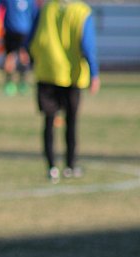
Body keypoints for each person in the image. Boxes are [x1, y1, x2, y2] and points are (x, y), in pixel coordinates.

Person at [29, 0, 100, 183]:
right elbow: (88, 43)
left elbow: (32, 35)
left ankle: (51, 167)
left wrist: (30, 57)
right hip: (72, 74)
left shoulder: (47, 8)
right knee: (71, 121)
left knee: (49, 121)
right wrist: (94, 73)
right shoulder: (81, 11)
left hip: (47, 71)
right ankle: (70, 165)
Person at [0, 0, 38, 95]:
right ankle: (22, 83)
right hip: (26, 31)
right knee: (24, 55)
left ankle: (9, 84)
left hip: (11, 30)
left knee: (10, 56)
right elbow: (35, 14)